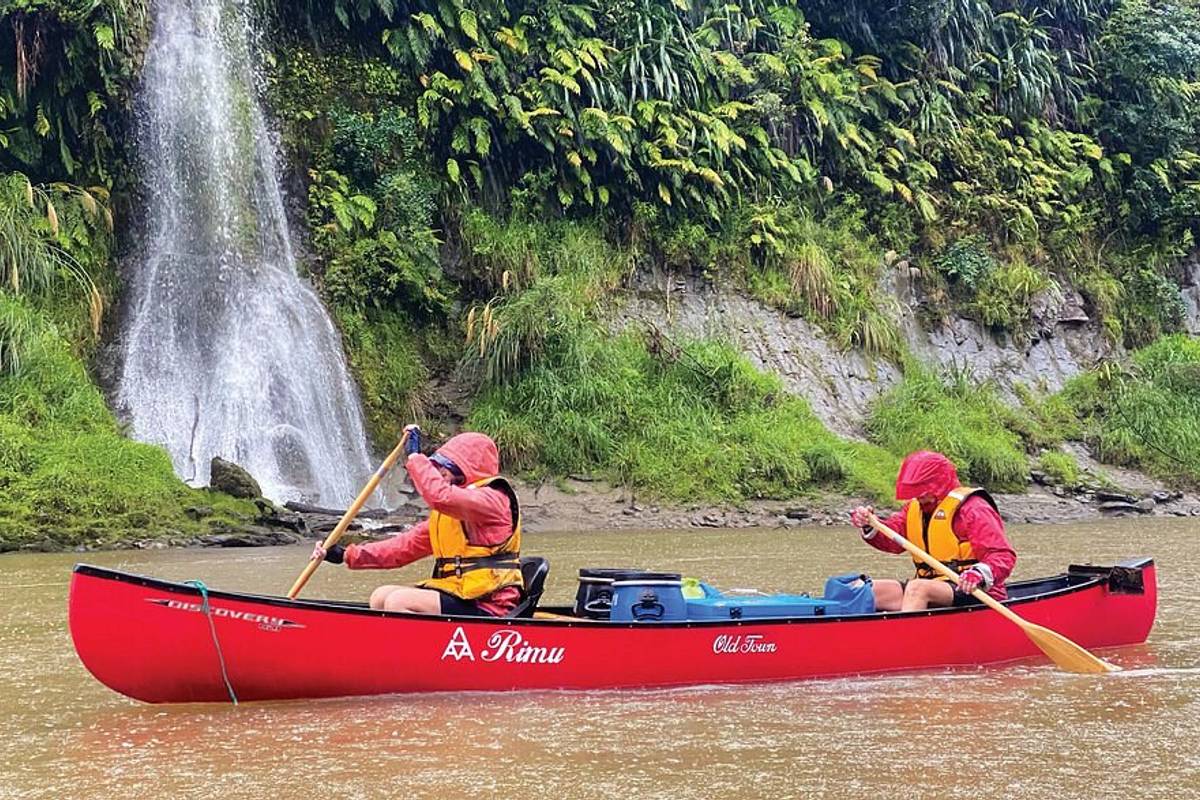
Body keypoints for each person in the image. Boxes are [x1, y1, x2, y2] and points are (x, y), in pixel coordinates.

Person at [311, 426, 524, 616]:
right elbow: (402, 548)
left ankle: (414, 658)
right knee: (380, 597)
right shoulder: (449, 517)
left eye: (445, 468)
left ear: (466, 470)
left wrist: (415, 457)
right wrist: (345, 554)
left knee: (398, 601)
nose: (440, 474)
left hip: (490, 602)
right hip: (460, 593)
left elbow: (439, 496)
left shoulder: (494, 500)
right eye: (438, 468)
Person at [849, 450, 1016, 612]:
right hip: (932, 587)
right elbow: (894, 538)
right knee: (860, 590)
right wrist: (872, 525)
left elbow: (1002, 555)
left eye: (923, 491)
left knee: (917, 589)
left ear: (939, 485)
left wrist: (978, 574)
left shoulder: (974, 508)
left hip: (974, 590)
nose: (918, 497)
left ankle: (905, 638)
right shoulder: (915, 508)